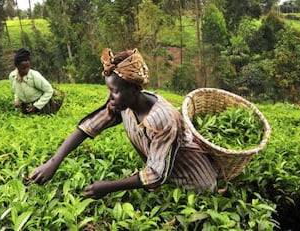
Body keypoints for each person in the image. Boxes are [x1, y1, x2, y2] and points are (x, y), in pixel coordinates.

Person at [30, 48, 218, 199]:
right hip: (166, 180)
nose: (110, 97)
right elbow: (90, 125)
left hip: (195, 184)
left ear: (134, 89)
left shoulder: (162, 119)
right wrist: (53, 162)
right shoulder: (123, 104)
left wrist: (109, 187)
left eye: (115, 91)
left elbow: (156, 175)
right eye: (109, 90)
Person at [9, 48, 63, 115]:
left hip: (41, 106)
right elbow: (16, 91)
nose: (26, 70)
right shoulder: (13, 76)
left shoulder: (34, 76)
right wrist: (17, 100)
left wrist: (37, 106)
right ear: (17, 66)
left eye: (28, 67)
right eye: (23, 68)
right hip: (26, 106)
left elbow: (49, 90)